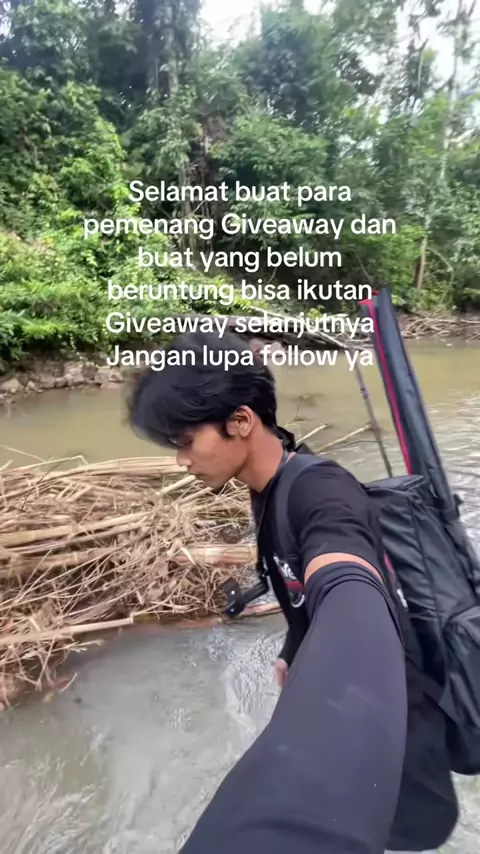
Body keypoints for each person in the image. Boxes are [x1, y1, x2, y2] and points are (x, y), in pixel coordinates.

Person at [128, 330, 458, 854]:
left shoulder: (323, 492)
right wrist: (295, 648)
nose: (181, 461)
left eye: (185, 442)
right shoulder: (269, 484)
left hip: (390, 726)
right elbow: (301, 586)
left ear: (240, 421)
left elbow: (349, 584)